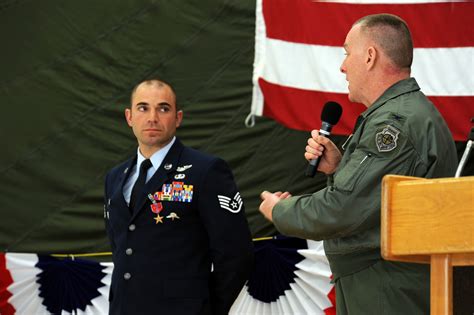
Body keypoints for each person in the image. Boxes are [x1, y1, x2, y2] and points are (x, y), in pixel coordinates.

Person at [259, 14, 457, 314]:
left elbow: (343, 209)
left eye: (346, 52)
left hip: (386, 288)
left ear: (369, 56)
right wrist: (340, 169)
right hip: (385, 282)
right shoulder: (400, 114)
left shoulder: (395, 124)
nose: (342, 65)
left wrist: (280, 210)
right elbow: (384, 200)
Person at [104, 78, 254, 315]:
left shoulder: (205, 171)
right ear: (129, 117)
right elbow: (123, 247)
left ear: (178, 118)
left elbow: (236, 254)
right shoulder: (114, 178)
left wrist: (205, 309)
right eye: (143, 108)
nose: (152, 117)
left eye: (163, 108)